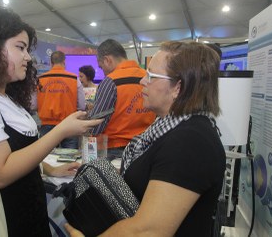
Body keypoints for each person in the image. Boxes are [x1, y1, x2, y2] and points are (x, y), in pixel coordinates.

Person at [0, 8, 102, 237]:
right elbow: (0, 172)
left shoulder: (4, 97)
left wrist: (50, 168)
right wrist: (61, 130)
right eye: (20, 47)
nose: (27, 57)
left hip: (24, 217)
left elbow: (18, 152)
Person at [66, 41, 226, 236]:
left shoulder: (189, 142)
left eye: (151, 76)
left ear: (178, 87)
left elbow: (147, 231)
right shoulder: (169, 129)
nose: (142, 81)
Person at [89, 39, 156, 158]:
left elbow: (96, 124)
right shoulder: (147, 77)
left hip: (115, 150)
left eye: (101, 66)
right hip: (146, 147)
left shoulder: (110, 81)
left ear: (107, 60)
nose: (102, 71)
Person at [37, 51, 86, 149]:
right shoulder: (74, 79)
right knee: (70, 159)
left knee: (46, 159)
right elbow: (81, 105)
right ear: (64, 62)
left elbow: (33, 104)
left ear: (51, 63)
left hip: (46, 126)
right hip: (69, 124)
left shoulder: (40, 79)